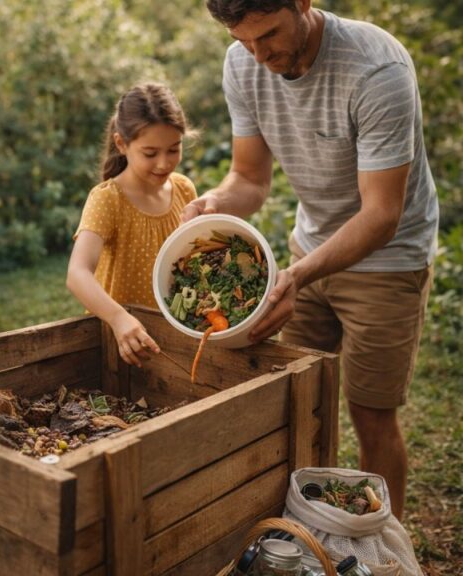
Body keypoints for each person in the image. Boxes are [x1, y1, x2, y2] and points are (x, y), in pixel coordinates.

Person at [189, 0, 439, 518]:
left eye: (269, 35)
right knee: (297, 400)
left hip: (389, 259)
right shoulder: (242, 63)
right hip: (310, 248)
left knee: (370, 413)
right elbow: (250, 179)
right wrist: (214, 203)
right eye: (242, 41)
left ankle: (383, 546)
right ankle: (308, 530)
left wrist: (296, 275)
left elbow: (381, 215)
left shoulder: (377, 69)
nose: (259, 55)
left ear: (302, 3)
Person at [67, 83, 198, 367]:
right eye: (150, 153)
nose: (163, 164)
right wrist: (118, 319)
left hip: (174, 338)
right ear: (121, 144)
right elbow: (77, 273)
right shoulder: (108, 199)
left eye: (174, 149)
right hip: (121, 342)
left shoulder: (185, 190)